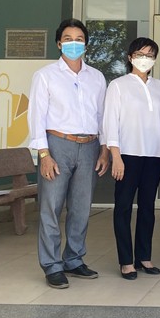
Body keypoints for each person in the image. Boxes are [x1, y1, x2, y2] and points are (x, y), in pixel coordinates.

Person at [28, 18, 109, 289]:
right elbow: (36, 116)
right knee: (51, 206)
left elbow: (102, 116)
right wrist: (44, 154)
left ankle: (74, 259)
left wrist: (105, 149)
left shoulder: (96, 77)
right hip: (57, 145)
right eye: (68, 38)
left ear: (86, 44)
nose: (74, 43)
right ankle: (52, 265)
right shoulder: (45, 75)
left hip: (90, 146)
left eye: (79, 39)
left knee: (81, 207)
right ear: (59, 43)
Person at [103, 38, 160, 280]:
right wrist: (115, 155)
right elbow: (110, 122)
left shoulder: (159, 87)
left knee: (147, 209)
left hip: (154, 155)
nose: (145, 58)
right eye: (141, 53)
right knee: (122, 208)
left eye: (150, 54)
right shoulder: (118, 85)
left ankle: (144, 257)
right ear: (130, 56)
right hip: (127, 155)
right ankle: (126, 261)